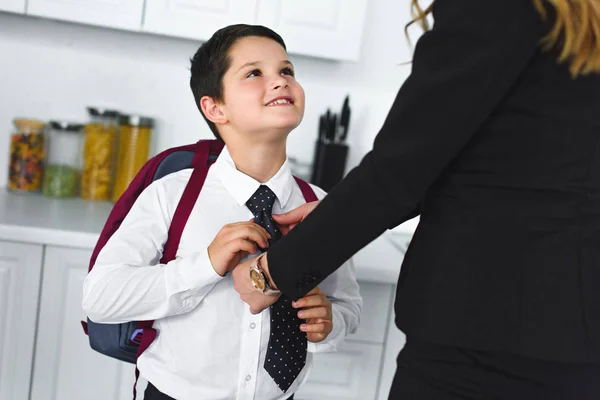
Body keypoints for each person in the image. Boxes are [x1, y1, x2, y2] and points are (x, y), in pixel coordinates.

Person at [231, 0, 600, 399]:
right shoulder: (577, 18)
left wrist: (270, 273)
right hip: (576, 331)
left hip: (485, 322)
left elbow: (401, 168)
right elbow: (514, 158)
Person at [82, 24, 361, 400]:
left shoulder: (319, 206)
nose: (279, 82)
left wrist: (330, 321)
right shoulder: (172, 196)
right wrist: (205, 265)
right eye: (254, 73)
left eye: (286, 71)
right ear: (215, 108)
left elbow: (348, 305)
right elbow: (99, 297)